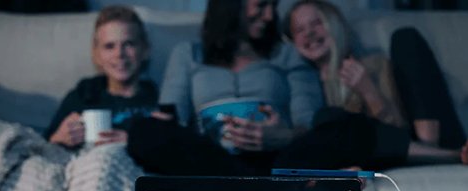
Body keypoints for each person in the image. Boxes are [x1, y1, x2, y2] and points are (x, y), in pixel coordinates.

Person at [126, 0, 324, 176]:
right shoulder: (188, 54)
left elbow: (310, 125)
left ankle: (244, 185)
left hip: (274, 157)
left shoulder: (288, 54)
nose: (270, 16)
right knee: (144, 131)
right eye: (261, 5)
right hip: (209, 160)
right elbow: (173, 119)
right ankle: (245, 184)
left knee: (330, 129)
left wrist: (284, 137)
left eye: (274, 6)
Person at [279, 0, 468, 170]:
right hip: (380, 156)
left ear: (334, 24)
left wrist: (368, 91)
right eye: (299, 30)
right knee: (328, 117)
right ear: (292, 41)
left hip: (425, 140)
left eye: (317, 23)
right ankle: (438, 156)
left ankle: (432, 149)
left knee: (405, 38)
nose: (309, 33)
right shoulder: (304, 91)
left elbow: (398, 129)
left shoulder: (373, 66)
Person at [45, 5, 159, 148]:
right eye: (109, 46)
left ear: (145, 50)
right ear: (96, 55)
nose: (119, 54)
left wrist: (137, 141)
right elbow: (44, 147)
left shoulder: (160, 99)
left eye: (129, 44)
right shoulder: (82, 96)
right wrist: (58, 138)